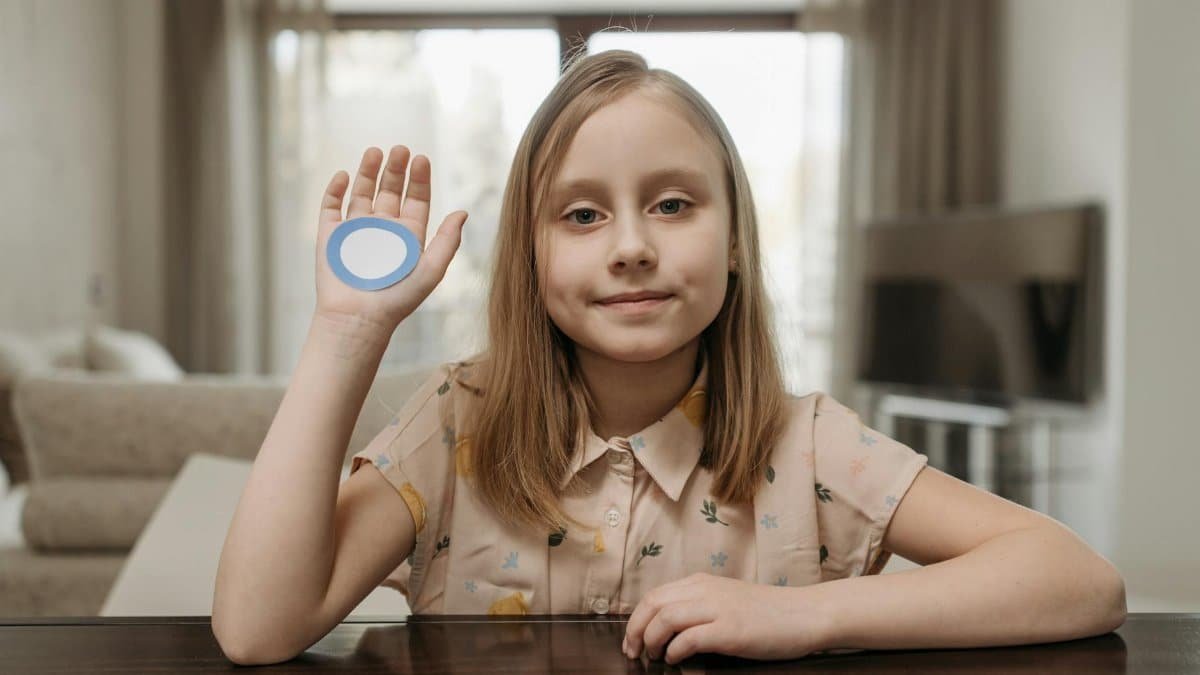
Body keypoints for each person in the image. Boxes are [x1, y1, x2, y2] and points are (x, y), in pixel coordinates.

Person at [212, 49, 1126, 667]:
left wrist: (811, 615)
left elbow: (1080, 579)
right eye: (581, 214)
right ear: (532, 257)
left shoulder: (806, 445)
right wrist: (347, 333)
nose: (631, 246)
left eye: (674, 204)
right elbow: (258, 628)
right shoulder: (459, 423)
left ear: (734, 238)